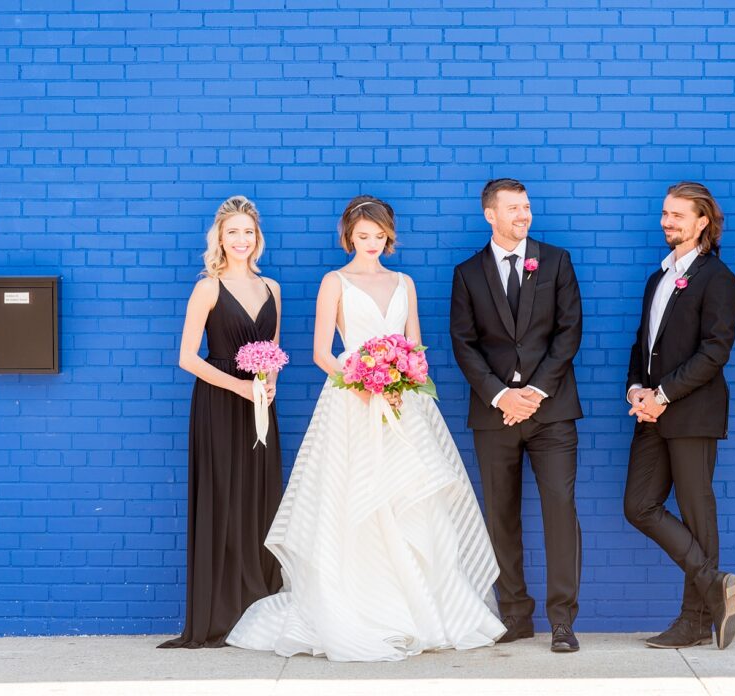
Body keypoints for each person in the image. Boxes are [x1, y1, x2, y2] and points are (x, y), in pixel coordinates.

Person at [226, 195, 505, 662]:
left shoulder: (405, 282)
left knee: (409, 502)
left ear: (388, 237)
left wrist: (402, 377)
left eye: (379, 237)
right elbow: (320, 351)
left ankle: (423, 611)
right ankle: (358, 608)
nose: (371, 244)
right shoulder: (334, 282)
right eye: (363, 236)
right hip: (351, 403)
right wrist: (358, 380)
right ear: (349, 237)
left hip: (402, 404)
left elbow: (415, 344)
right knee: (353, 500)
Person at [450, 178, 584, 653]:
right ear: (491, 214)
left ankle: (563, 621)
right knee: (500, 518)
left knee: (559, 513)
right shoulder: (467, 273)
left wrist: (534, 392)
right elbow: (463, 345)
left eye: (526, 206)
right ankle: (515, 615)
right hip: (494, 417)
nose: (523, 215)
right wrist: (500, 396)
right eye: (513, 208)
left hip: (552, 412)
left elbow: (569, 332)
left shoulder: (556, 261)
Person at [159, 195, 284, 649]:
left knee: (259, 499)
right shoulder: (208, 288)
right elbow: (187, 358)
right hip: (218, 403)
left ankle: (257, 605)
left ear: (258, 238)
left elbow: (272, 351)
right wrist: (238, 387)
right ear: (219, 238)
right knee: (223, 498)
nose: (241, 240)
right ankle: (219, 613)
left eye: (248, 231)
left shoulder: (272, 288)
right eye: (233, 232)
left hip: (260, 408)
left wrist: (268, 385)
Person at [623, 181, 735, 650]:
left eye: (677, 215)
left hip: (692, 413)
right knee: (638, 506)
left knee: (697, 514)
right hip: (651, 413)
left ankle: (694, 621)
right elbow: (643, 345)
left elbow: (716, 352)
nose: (667, 222)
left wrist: (663, 395)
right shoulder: (658, 278)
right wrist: (636, 390)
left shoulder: (719, 279)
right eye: (665, 214)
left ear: (702, 222)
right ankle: (715, 584)